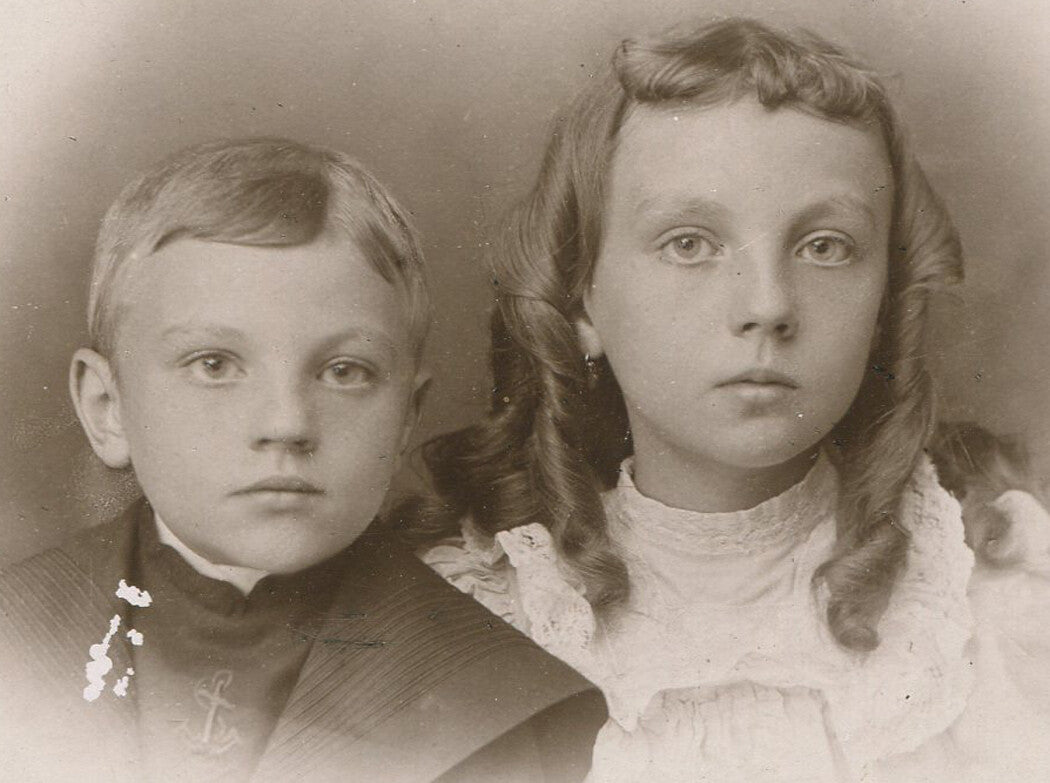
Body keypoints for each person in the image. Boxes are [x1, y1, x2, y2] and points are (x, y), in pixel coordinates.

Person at [412, 18, 1050, 782]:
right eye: (689, 243)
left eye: (825, 246)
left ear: (884, 301)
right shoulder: (478, 616)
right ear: (582, 303)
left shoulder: (992, 599)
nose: (767, 304)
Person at [0, 138, 604, 782]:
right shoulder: (19, 632)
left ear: (406, 417)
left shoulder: (497, 704)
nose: (286, 424)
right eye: (214, 365)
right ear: (107, 408)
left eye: (344, 371)